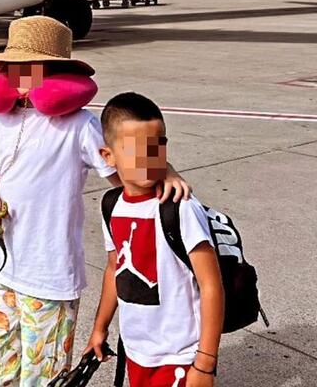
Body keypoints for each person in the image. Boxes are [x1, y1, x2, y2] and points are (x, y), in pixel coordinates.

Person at [0, 17, 191, 386]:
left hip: (50, 278)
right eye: (13, 66)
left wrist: (166, 170)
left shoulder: (78, 125)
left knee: (43, 379)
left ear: (53, 72)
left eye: (30, 67)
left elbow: (125, 167)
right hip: (3, 270)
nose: (19, 75)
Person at [86, 92, 224, 387]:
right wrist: (100, 328)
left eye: (157, 147)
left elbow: (211, 285)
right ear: (108, 156)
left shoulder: (181, 207)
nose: (148, 159)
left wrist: (204, 364)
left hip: (178, 354)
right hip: (137, 350)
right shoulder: (111, 205)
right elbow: (114, 268)